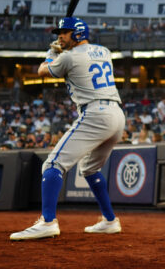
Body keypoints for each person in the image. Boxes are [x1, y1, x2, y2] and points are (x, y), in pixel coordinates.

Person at [10, 17, 124, 241]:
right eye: (59, 33)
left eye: (65, 32)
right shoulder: (105, 51)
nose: (60, 36)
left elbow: (43, 71)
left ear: (78, 33)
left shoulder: (68, 57)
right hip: (117, 115)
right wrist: (61, 48)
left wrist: (52, 53)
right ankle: (110, 221)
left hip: (95, 114)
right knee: (90, 169)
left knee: (52, 164)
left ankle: (48, 221)